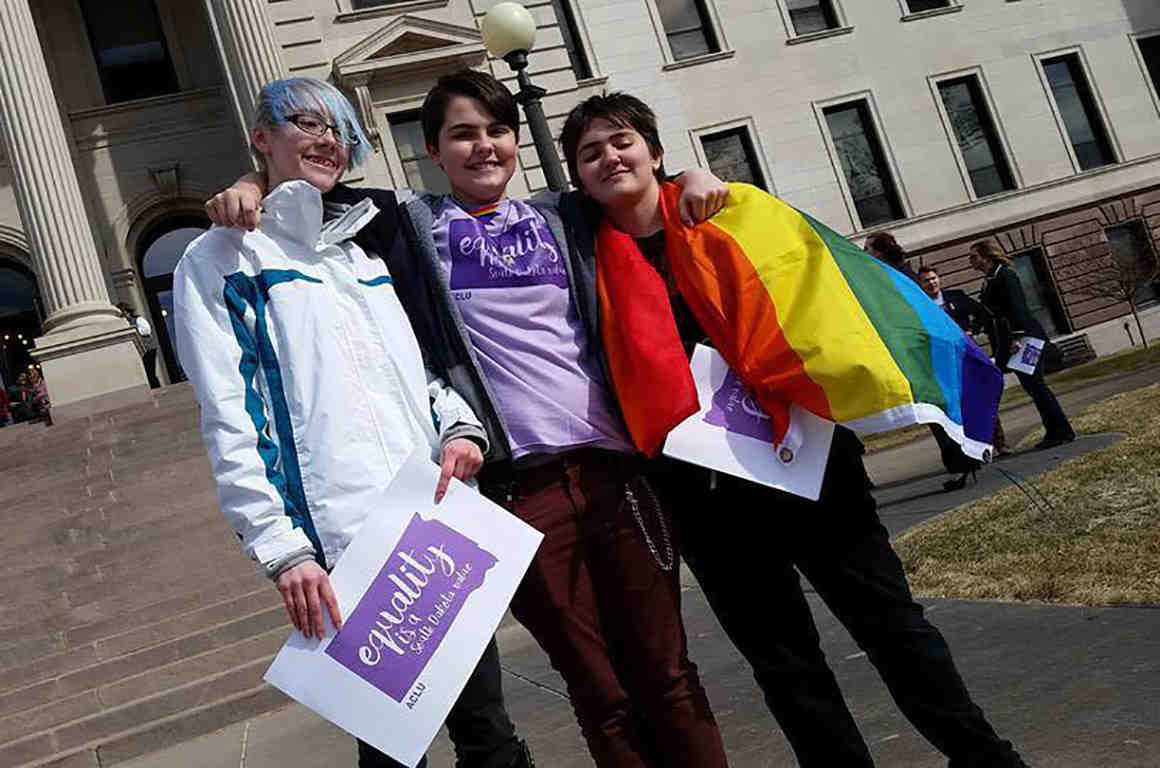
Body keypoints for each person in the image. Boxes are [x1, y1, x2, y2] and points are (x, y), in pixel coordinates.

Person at [203, 72, 731, 768]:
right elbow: (306, 186)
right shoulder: (408, 226)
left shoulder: (563, 217)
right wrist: (248, 184)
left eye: (497, 130)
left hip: (616, 476)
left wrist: (692, 170)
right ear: (431, 149)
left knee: (669, 677)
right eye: (462, 133)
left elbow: (632, 189)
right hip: (522, 496)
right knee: (599, 692)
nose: (484, 146)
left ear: (516, 141)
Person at [558, 91, 1029, 768]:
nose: (609, 157)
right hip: (704, 492)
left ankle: (986, 757)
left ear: (656, 152)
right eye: (589, 151)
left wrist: (703, 179)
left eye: (622, 140)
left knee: (891, 624)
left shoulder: (729, 214)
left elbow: (816, 293)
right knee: (784, 664)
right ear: (577, 176)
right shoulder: (585, 262)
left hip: (807, 457)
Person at [175, 77, 532, 768]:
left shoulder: (359, 252)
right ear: (261, 137)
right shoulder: (217, 260)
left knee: (491, 733)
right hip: (341, 543)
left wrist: (459, 429)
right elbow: (230, 415)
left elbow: (419, 373)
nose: (327, 139)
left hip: (429, 526)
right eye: (305, 122)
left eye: (339, 128)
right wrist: (284, 548)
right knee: (395, 755)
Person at [969, 240, 1075, 450]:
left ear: (986, 256)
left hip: (1025, 340)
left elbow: (1018, 308)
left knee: (1036, 386)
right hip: (1010, 340)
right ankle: (1055, 430)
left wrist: (1017, 338)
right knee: (1032, 387)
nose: (971, 261)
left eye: (974, 256)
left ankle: (1061, 431)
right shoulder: (990, 279)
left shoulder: (1006, 276)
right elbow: (991, 311)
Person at [917, 264, 1012, 468]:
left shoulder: (956, 296)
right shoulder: (919, 305)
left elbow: (982, 313)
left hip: (966, 356)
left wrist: (972, 329)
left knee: (981, 398)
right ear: (920, 285)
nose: (931, 283)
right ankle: (973, 450)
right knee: (958, 405)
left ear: (939, 279)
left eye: (933, 278)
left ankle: (999, 443)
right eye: (926, 281)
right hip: (942, 362)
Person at [118, 302, 161, 389]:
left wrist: (133, 330)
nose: (123, 316)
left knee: (150, 372)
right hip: (140, 351)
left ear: (127, 312)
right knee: (146, 373)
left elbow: (146, 330)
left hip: (148, 349)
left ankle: (157, 389)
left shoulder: (138, 319)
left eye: (123, 313)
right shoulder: (126, 323)